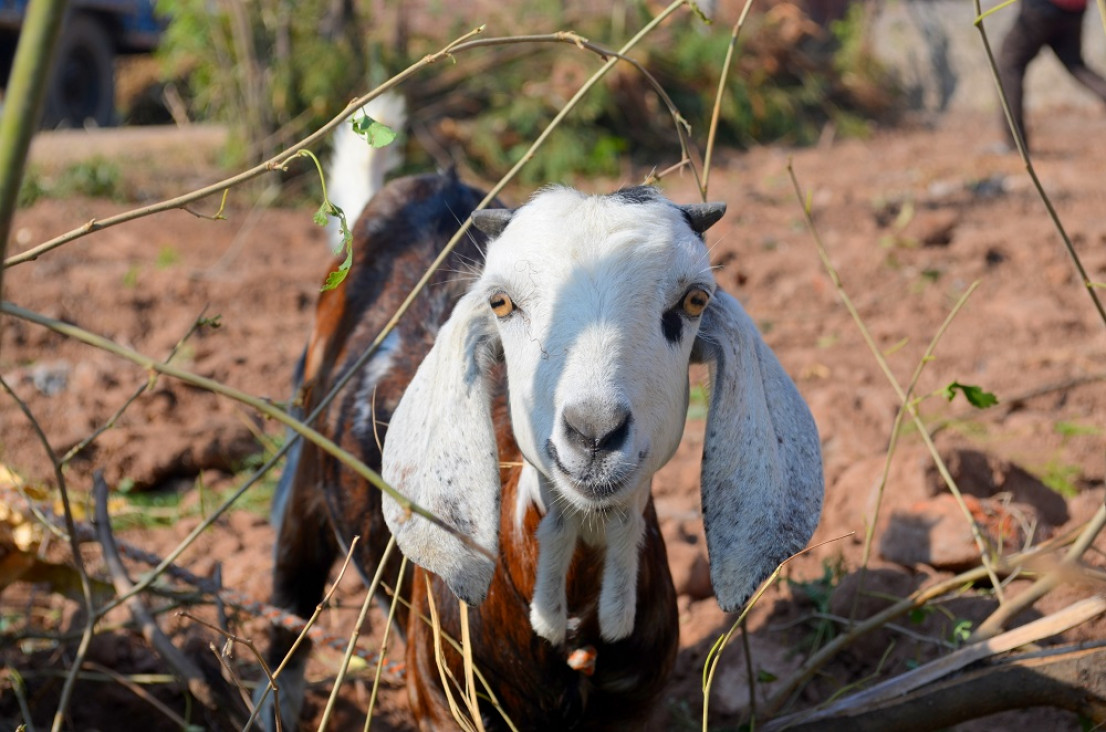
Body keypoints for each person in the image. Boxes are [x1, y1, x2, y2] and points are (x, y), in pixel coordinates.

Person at [996, 0, 1106, 151]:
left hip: (1041, 7)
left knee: (1010, 64)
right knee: (1075, 64)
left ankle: (1015, 143)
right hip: (1074, 9)